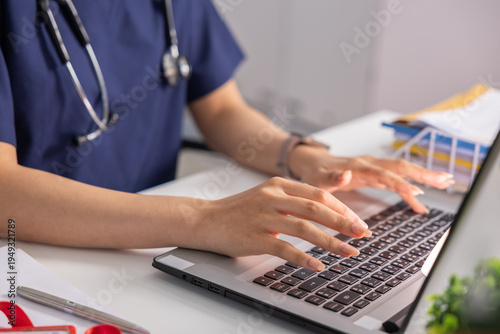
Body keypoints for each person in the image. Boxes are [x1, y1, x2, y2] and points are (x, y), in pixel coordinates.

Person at [0, 0, 453, 272]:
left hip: (145, 250)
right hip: (36, 260)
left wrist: (300, 155)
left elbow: (221, 108)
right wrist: (203, 219)